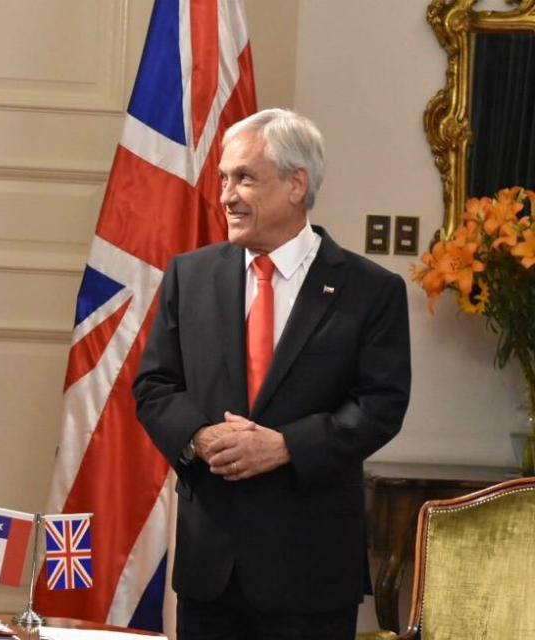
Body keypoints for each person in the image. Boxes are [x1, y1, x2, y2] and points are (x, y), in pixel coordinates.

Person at [132, 108, 411, 640]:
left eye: (245, 178)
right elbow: (155, 385)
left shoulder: (369, 289)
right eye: (223, 179)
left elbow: (381, 405)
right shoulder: (189, 275)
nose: (227, 195)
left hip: (310, 568)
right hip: (211, 568)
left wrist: (287, 446)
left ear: (296, 184)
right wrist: (199, 435)